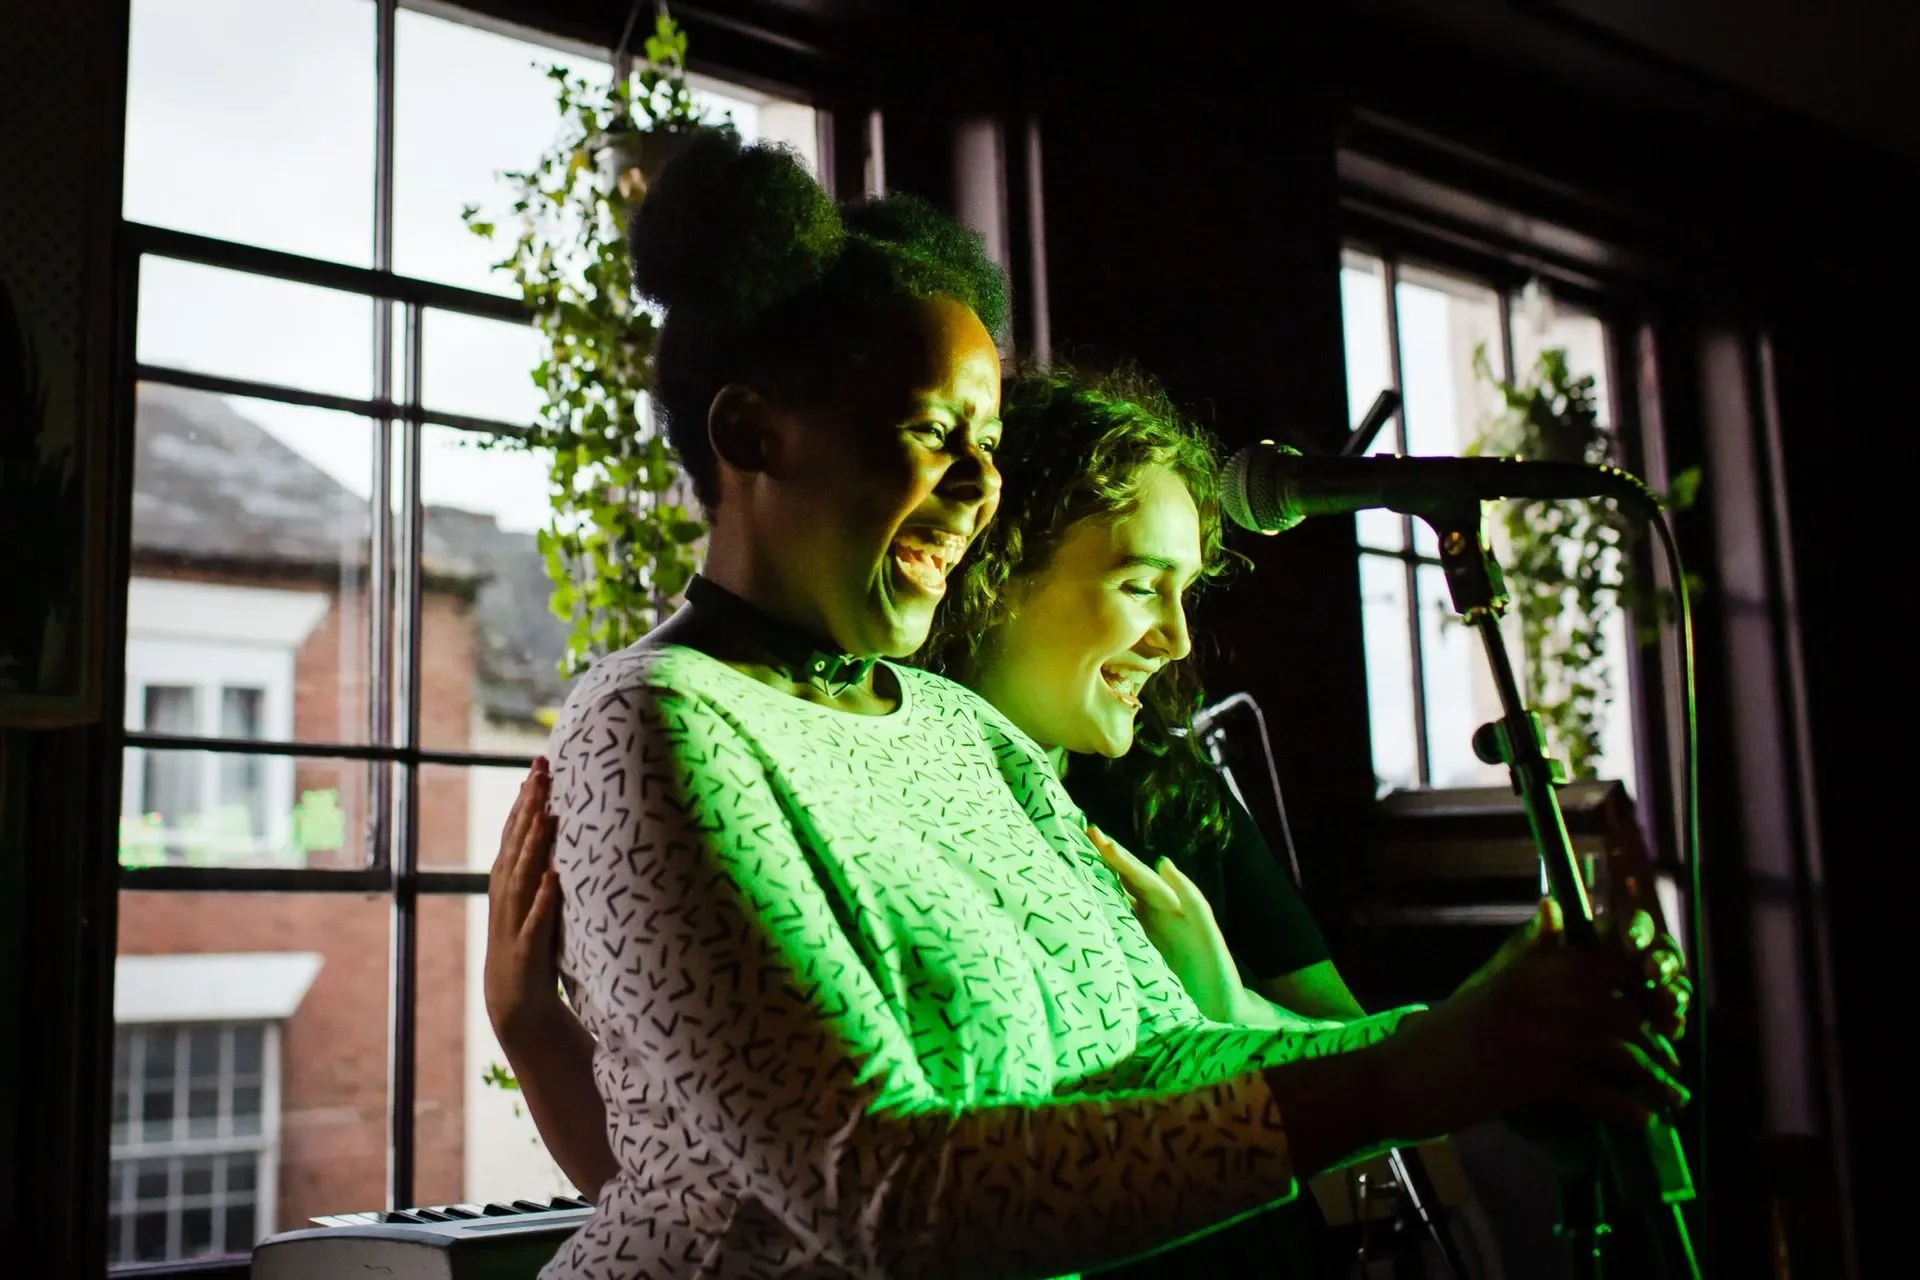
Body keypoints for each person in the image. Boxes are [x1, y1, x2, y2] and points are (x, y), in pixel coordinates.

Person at [498, 130, 1687, 1280]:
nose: (978, 489)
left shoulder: (957, 729)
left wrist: (1485, 1035)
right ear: (752, 432)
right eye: (931, 433)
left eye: (992, 443)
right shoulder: (654, 721)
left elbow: (1152, 1055)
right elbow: (878, 1196)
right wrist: (1408, 1074)